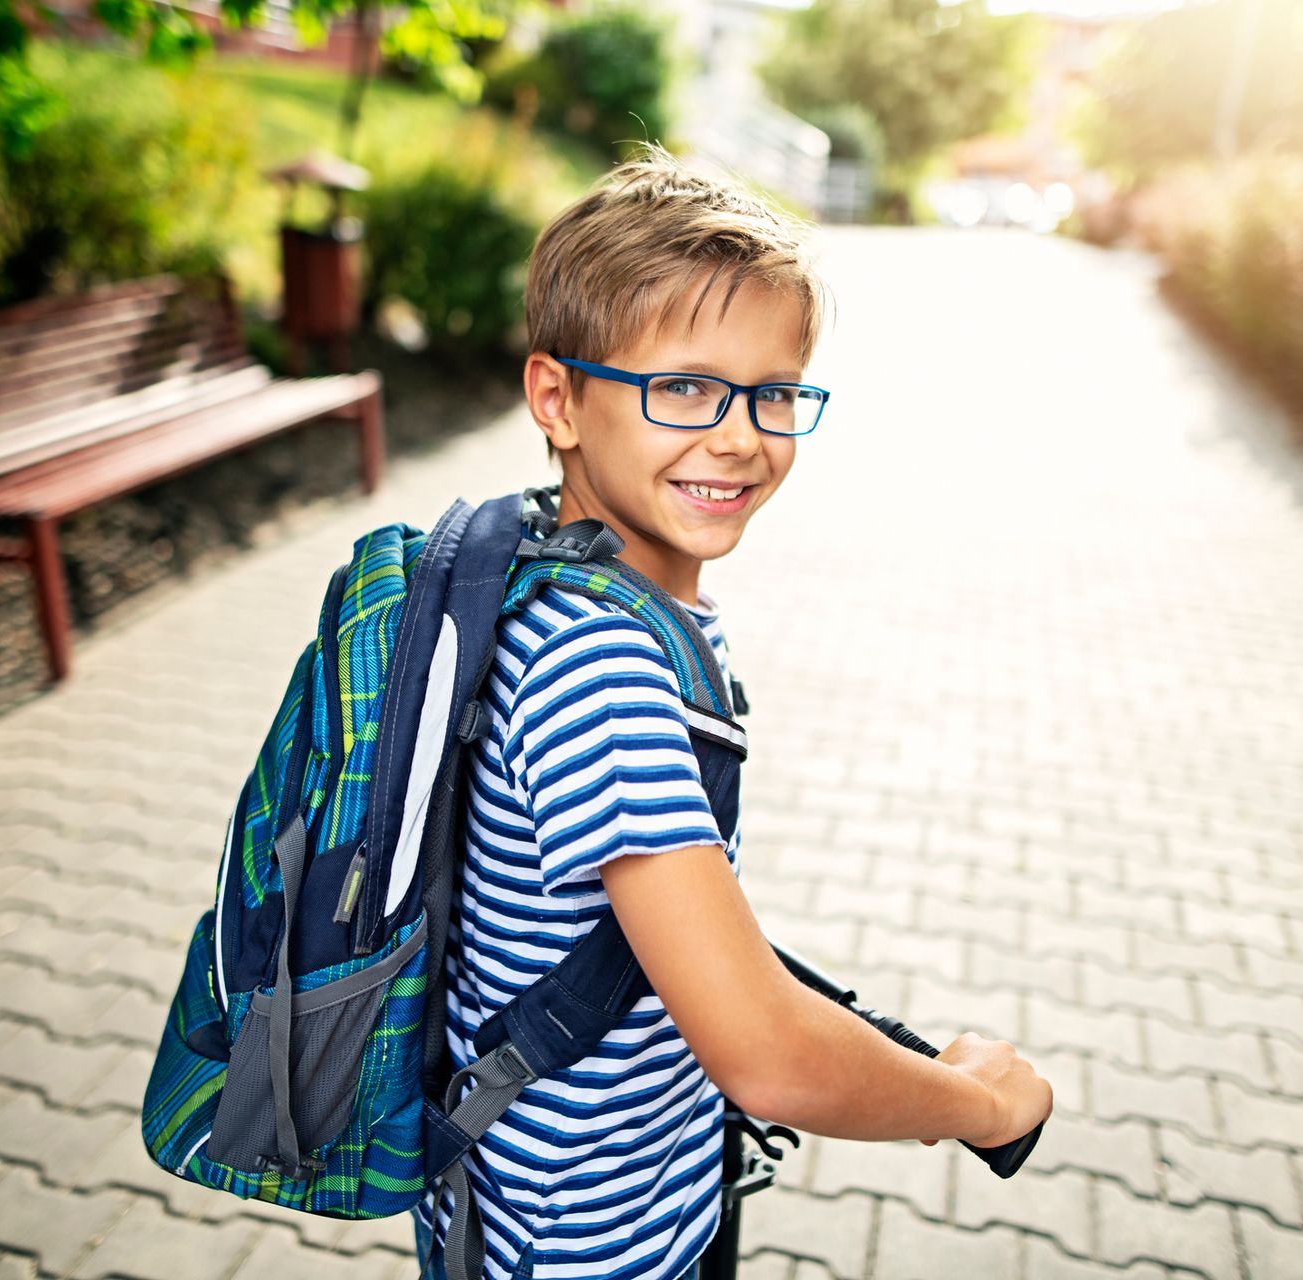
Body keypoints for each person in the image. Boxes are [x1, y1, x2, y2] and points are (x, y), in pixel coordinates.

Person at [413, 142, 1053, 1280]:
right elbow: (764, 1056)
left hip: (577, 1199)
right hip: (587, 1246)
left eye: (774, 392)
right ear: (557, 397)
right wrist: (974, 1103)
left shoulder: (558, 572)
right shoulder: (598, 667)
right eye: (684, 388)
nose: (741, 434)